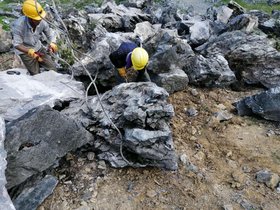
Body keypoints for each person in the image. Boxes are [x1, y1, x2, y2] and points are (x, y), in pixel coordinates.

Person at [11, 0, 58, 76]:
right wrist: (30, 52)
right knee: (36, 74)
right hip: (25, 52)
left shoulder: (41, 22)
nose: (40, 20)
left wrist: (52, 43)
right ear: (30, 18)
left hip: (38, 48)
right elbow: (17, 44)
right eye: (37, 19)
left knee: (53, 69)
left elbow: (50, 35)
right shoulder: (19, 25)